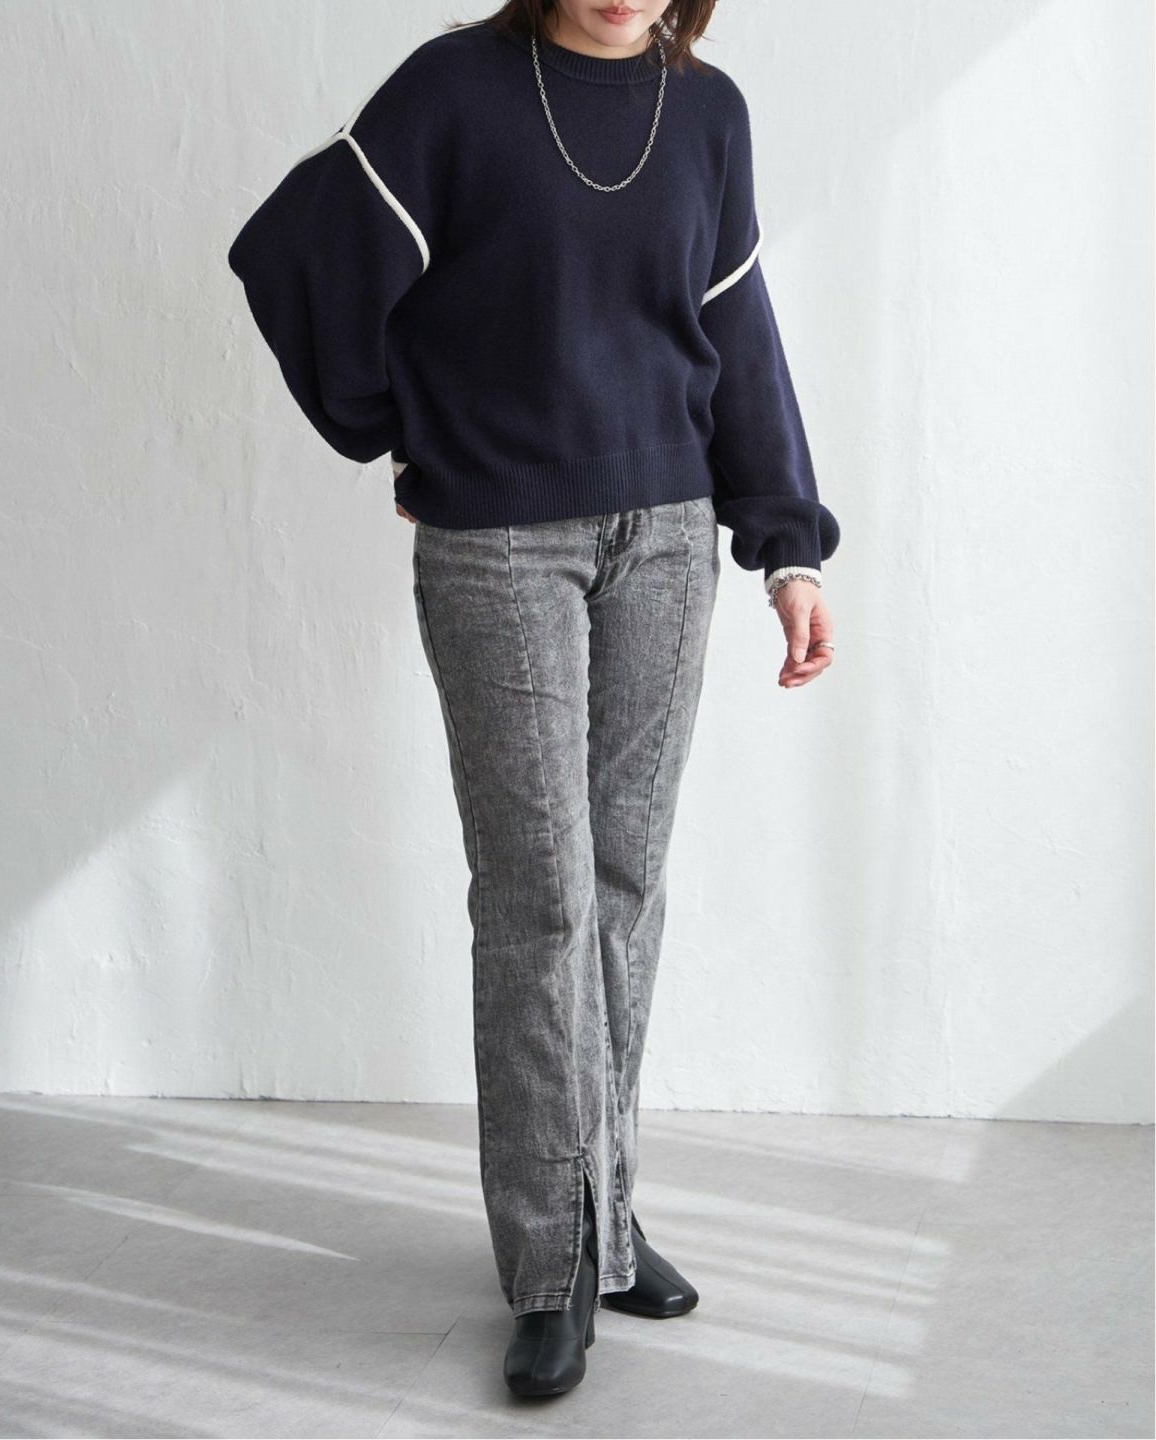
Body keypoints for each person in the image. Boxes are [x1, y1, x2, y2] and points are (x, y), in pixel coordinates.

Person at [227, 0, 840, 1399]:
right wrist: (411, 430)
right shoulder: (453, 90)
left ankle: (605, 1222)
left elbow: (738, 331)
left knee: (622, 885)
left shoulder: (711, 113)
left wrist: (788, 549)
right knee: (539, 897)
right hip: (501, 545)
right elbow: (299, 256)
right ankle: (551, 1264)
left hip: (669, 539)